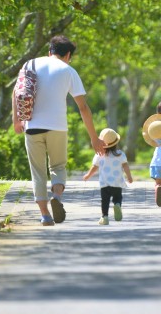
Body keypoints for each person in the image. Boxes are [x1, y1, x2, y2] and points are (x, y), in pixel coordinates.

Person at [12, 35, 105, 227]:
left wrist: (16, 120)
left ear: (50, 51)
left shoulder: (30, 64)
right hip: (57, 127)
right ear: (68, 55)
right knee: (58, 167)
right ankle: (56, 195)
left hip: (31, 126)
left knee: (38, 172)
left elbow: (17, 91)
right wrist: (94, 138)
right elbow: (83, 108)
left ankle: (45, 215)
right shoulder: (68, 70)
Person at [81, 128, 134, 225]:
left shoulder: (99, 155)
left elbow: (94, 167)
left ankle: (104, 217)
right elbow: (125, 165)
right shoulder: (120, 154)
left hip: (104, 184)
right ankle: (117, 205)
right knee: (118, 197)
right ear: (116, 143)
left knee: (104, 201)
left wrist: (88, 175)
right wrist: (129, 177)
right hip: (117, 183)